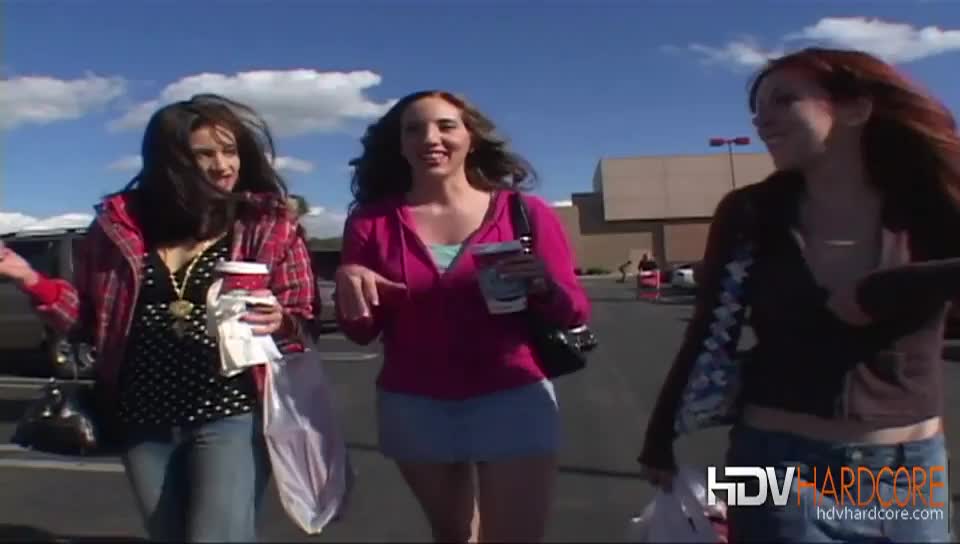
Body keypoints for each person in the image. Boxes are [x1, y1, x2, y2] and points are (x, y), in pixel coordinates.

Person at [639, 47, 959, 542]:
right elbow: (708, 328)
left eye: (783, 100)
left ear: (856, 108)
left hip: (910, 469)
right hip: (767, 462)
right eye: (756, 109)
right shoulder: (749, 211)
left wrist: (887, 289)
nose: (761, 120)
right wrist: (659, 437)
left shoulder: (930, 203)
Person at [0, 94, 315, 541]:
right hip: (142, 417)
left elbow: (302, 317)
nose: (223, 166)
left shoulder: (266, 226)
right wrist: (29, 277)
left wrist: (281, 320)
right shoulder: (118, 231)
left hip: (230, 410)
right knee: (169, 535)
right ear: (170, 162)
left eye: (230, 151)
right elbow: (88, 320)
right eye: (205, 154)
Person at [335, 90, 590, 542]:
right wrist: (350, 284)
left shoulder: (524, 212)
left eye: (446, 126)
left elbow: (575, 311)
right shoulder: (371, 223)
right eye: (414, 129)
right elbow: (360, 332)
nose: (430, 138)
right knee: (453, 537)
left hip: (513, 395)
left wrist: (543, 284)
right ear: (399, 145)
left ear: (471, 137)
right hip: (415, 403)